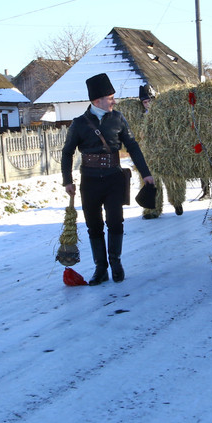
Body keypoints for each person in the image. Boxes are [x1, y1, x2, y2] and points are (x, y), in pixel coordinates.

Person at [62, 73, 154, 285]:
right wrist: (67, 180)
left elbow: (132, 146)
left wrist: (146, 173)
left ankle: (116, 263)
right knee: (94, 226)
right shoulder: (79, 124)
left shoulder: (118, 118)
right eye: (110, 97)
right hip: (90, 181)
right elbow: (67, 153)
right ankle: (100, 268)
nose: (114, 101)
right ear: (97, 101)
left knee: (115, 222)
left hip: (114, 178)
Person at [136, 84, 185, 220]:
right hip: (150, 154)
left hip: (166, 152)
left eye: (149, 101)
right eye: (145, 102)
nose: (147, 104)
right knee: (152, 181)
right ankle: (153, 209)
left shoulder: (164, 113)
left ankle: (177, 202)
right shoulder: (142, 117)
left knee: (172, 180)